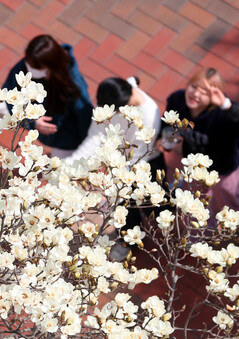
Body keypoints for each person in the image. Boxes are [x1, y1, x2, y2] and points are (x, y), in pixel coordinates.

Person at [164, 67, 239, 230]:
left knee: (233, 204)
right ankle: (199, 234)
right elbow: (170, 120)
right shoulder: (178, 101)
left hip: (224, 169)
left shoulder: (222, 116)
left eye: (204, 91)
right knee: (193, 203)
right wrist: (168, 136)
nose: (196, 94)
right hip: (195, 168)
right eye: (194, 86)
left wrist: (226, 105)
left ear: (215, 95)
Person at [66, 77, 166, 260]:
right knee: (127, 212)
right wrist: (70, 165)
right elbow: (95, 138)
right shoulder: (115, 93)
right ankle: (128, 240)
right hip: (121, 161)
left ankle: (146, 238)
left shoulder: (149, 115)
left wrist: (113, 193)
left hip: (143, 164)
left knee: (146, 204)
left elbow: (135, 159)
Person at [2, 35, 93, 158]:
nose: (30, 70)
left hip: (66, 141)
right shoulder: (29, 63)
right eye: (28, 63)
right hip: (50, 137)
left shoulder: (74, 85)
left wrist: (85, 148)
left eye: (36, 68)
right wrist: (31, 121)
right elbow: (10, 96)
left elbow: (84, 119)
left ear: (52, 66)